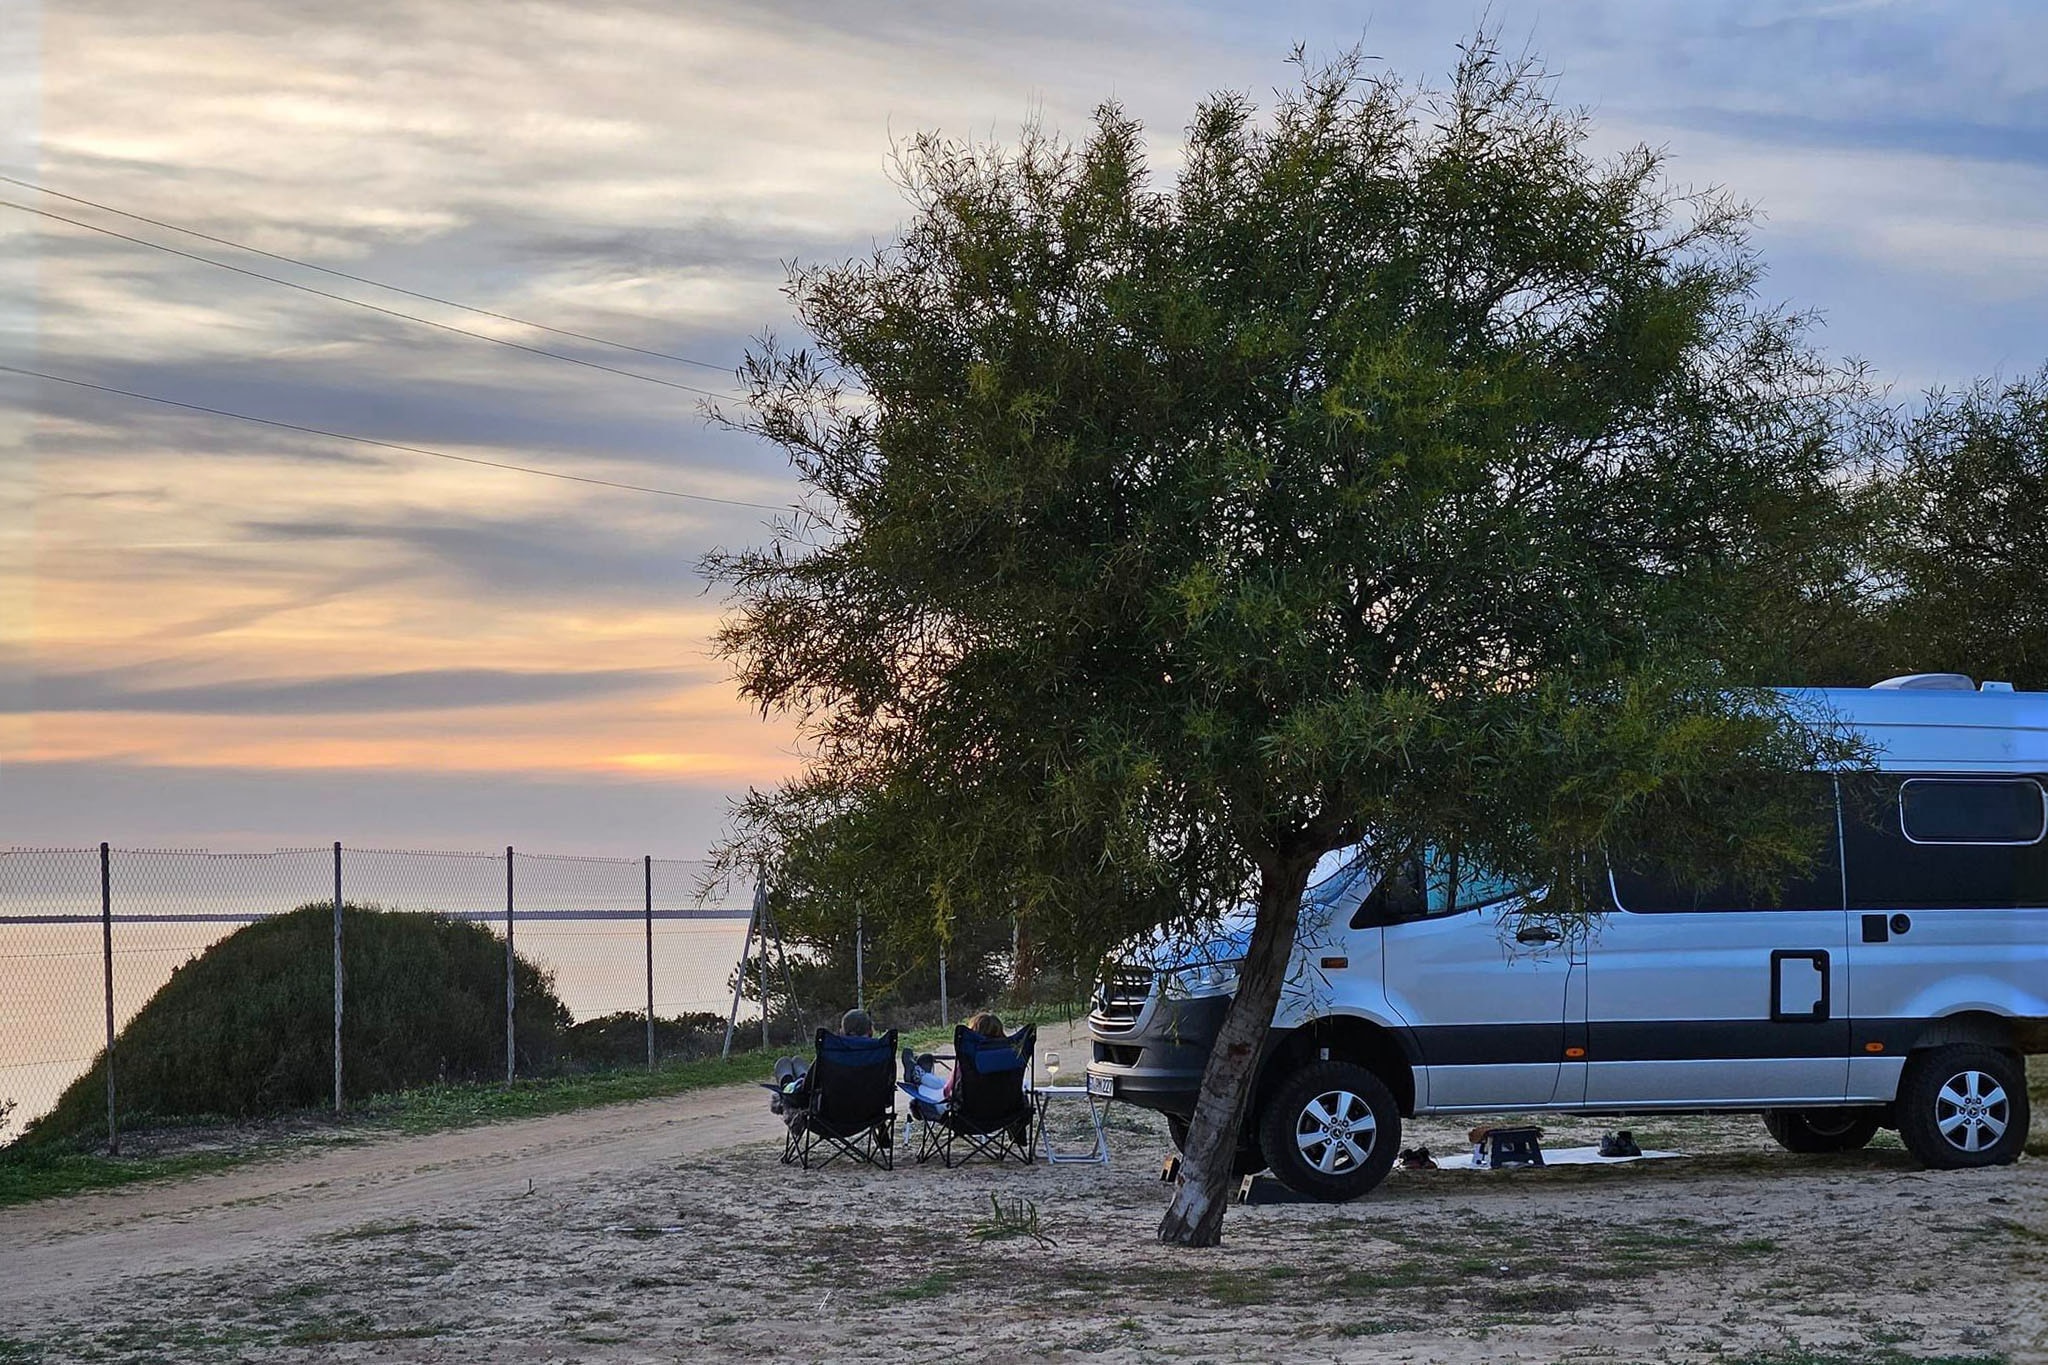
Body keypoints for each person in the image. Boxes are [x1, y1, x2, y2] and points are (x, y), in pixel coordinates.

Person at [767, 1007, 880, 1113]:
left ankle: (787, 1082)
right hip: (868, 1112)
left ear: (843, 1032)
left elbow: (808, 1086)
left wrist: (798, 1085)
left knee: (784, 1063)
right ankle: (799, 1077)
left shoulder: (835, 1052)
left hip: (829, 1114)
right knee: (797, 1062)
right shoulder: (880, 1052)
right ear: (870, 1031)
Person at [901, 1010, 1005, 1108]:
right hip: (1001, 1111)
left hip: (965, 1112)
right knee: (951, 1083)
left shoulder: (969, 1057)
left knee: (933, 1090)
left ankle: (918, 1077)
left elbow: (947, 1090)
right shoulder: (1010, 1057)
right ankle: (920, 1076)